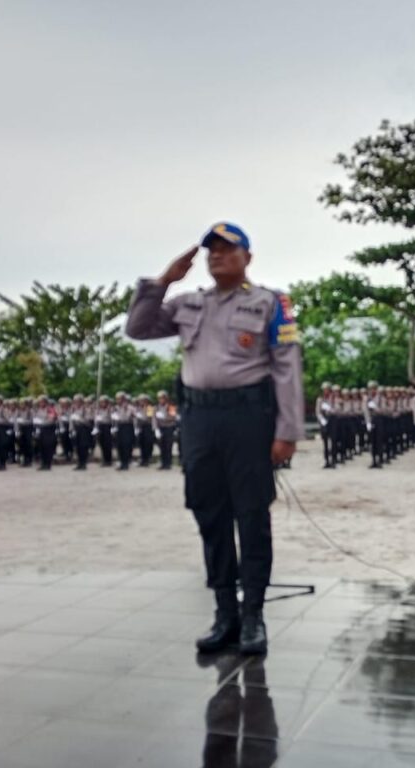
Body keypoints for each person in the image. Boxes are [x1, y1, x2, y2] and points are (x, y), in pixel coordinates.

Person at [125, 221, 305, 656]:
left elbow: (287, 367)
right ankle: (224, 612)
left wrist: (287, 431)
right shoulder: (188, 303)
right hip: (200, 420)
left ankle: (253, 616)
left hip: (249, 419)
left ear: (248, 257)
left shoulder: (270, 303)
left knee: (251, 516)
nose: (217, 256)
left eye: (228, 249)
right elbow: (138, 328)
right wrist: (163, 281)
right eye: (211, 251)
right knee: (210, 514)